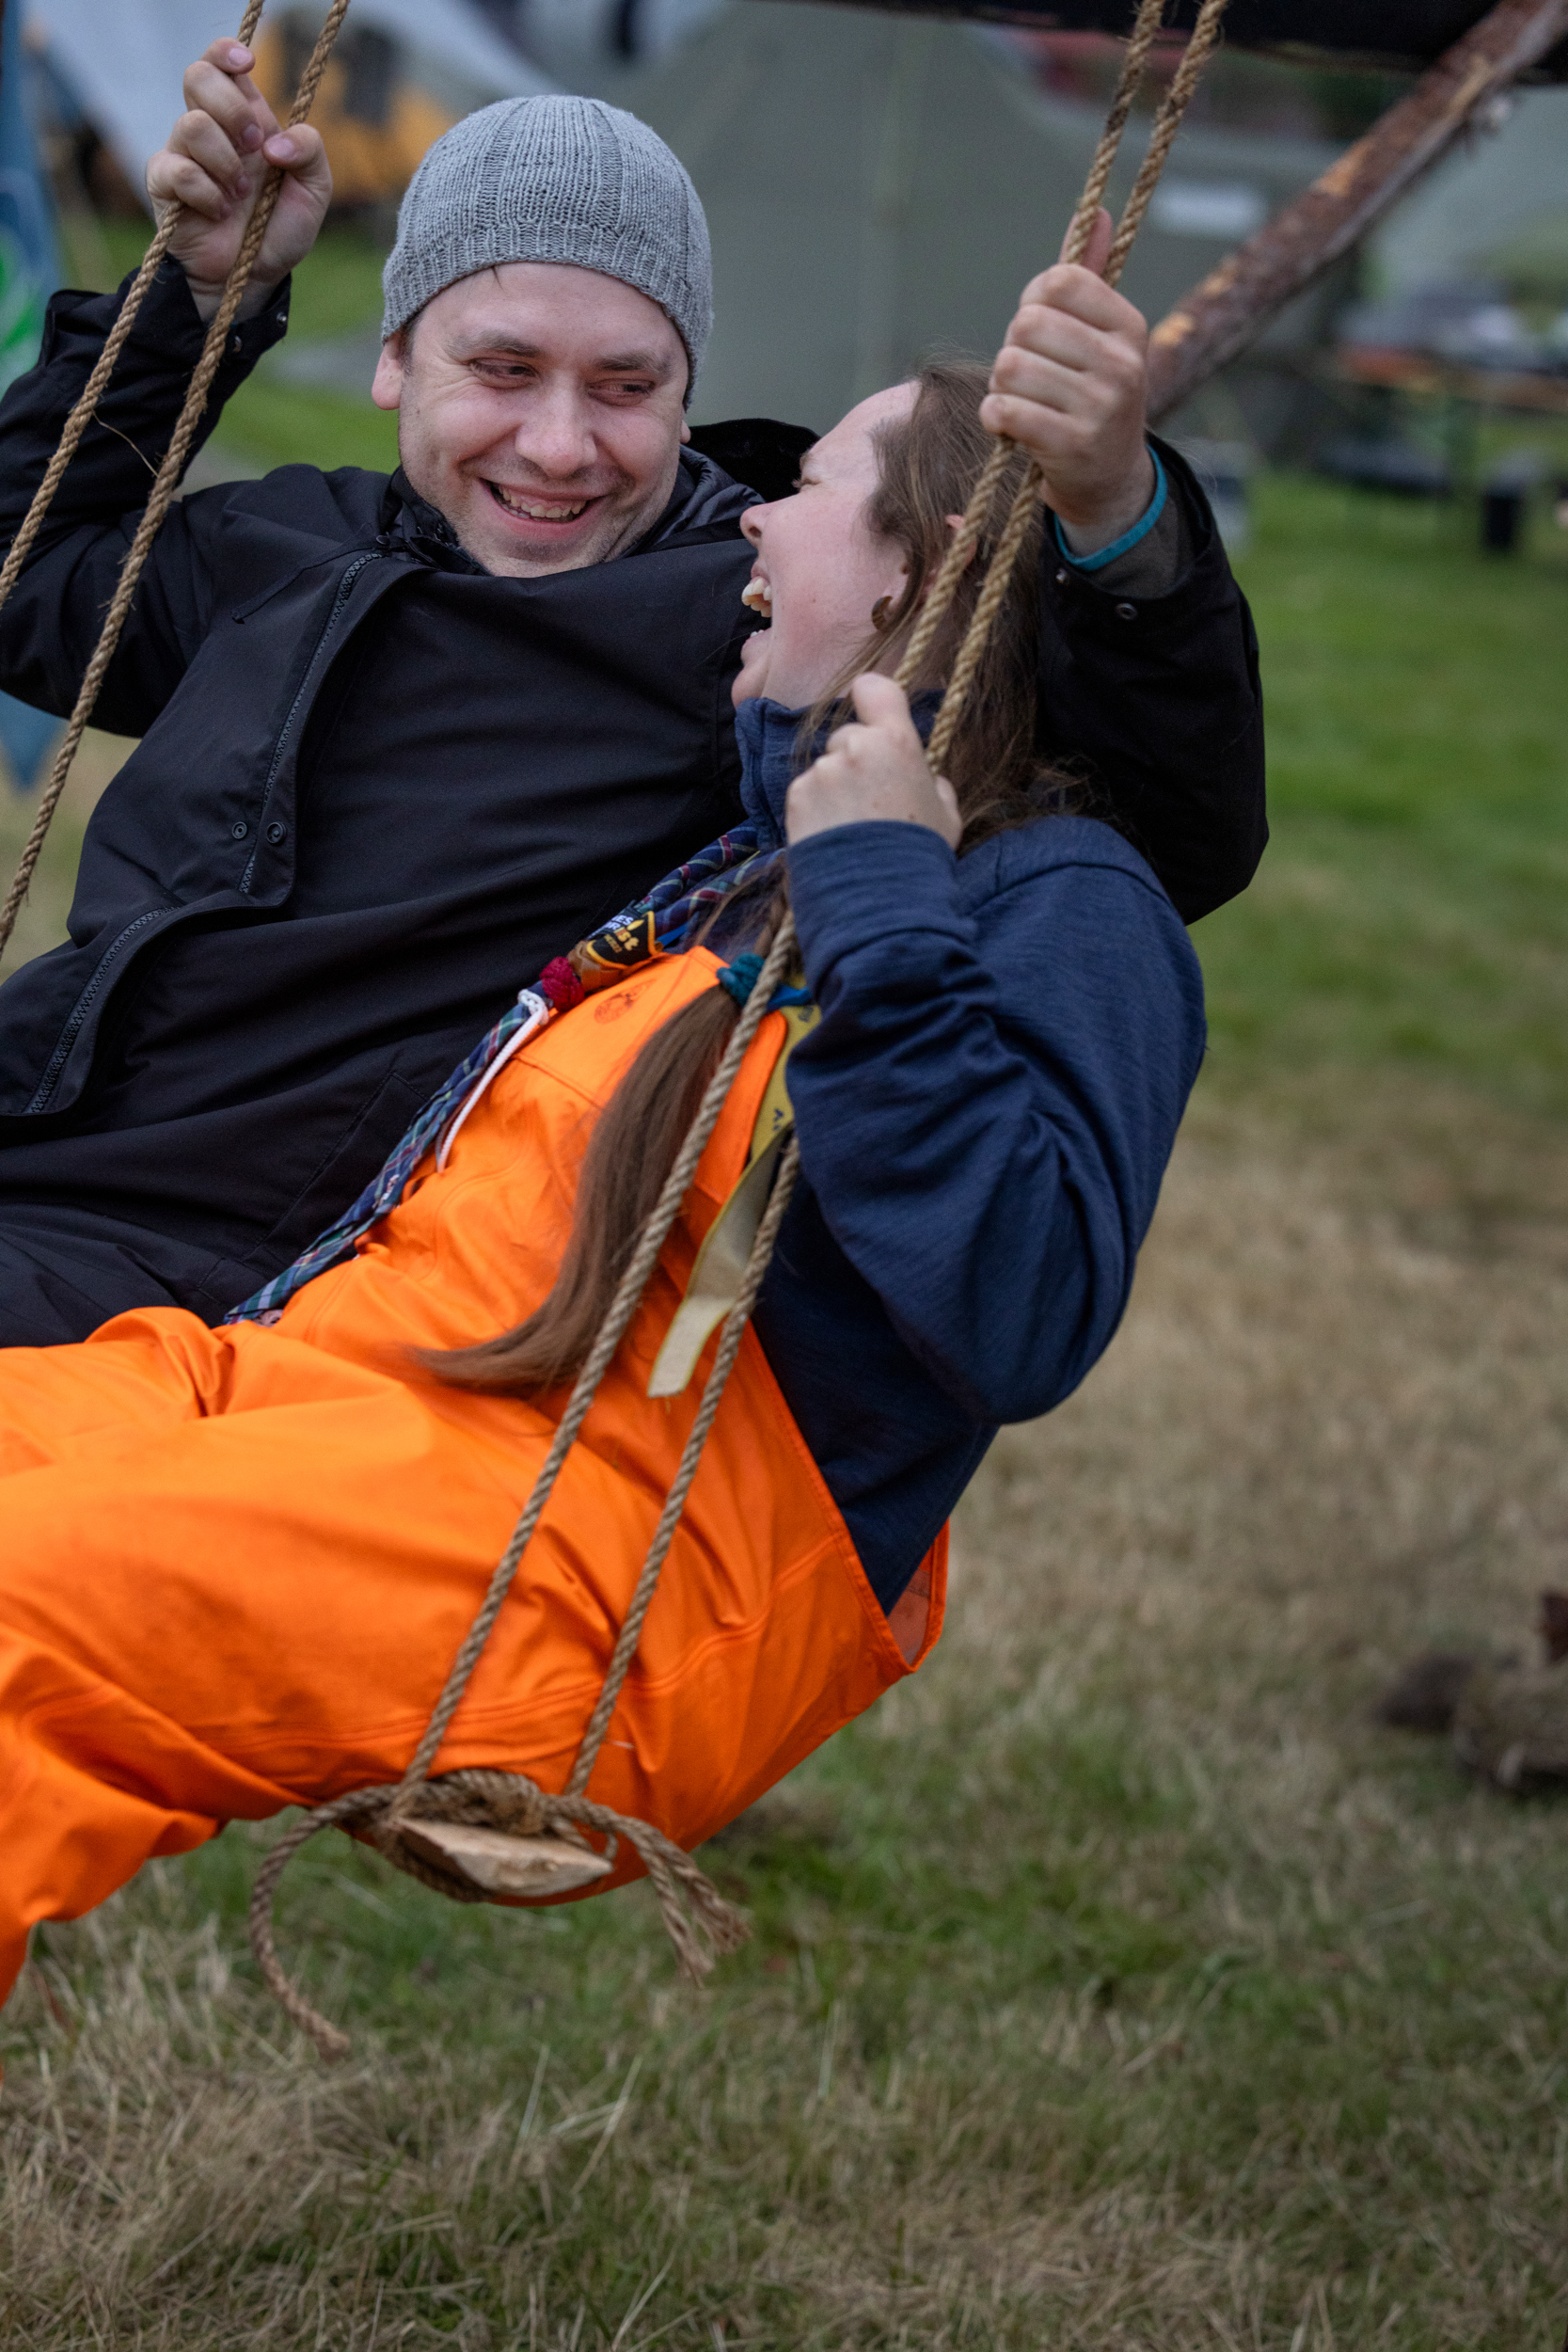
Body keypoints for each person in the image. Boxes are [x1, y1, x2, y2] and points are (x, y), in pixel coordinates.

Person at [0, 360, 1203, 2006]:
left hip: (603, 1569)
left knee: (23, 1608)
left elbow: (1024, 1308)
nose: (752, 516)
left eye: (815, 483)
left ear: (919, 567)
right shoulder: (739, 847)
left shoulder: (1052, 894)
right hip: (341, 1396)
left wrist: (890, 907)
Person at [0, 46, 1258, 1350]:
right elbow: (24, 581)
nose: (558, 446)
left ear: (687, 392)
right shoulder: (277, 544)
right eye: (501, 370)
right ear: (392, 359)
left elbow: (1161, 826)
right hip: (38, 1148)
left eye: (624, 387)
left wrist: (1114, 512)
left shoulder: (750, 616)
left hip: (245, 1284)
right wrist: (197, 299)